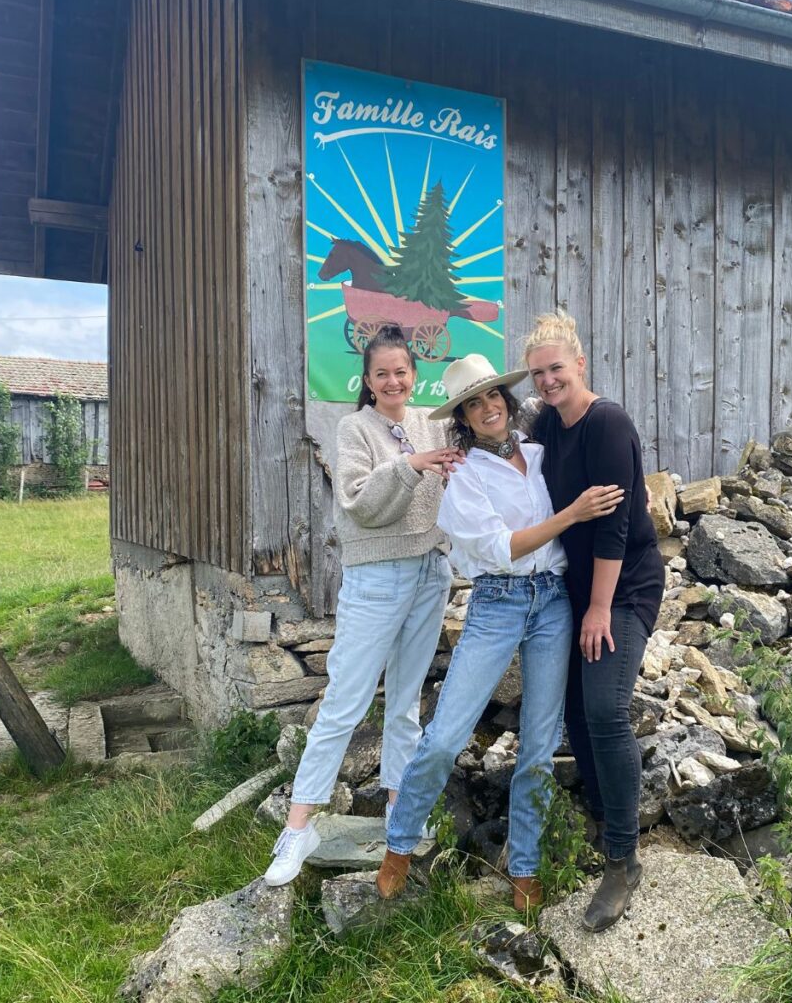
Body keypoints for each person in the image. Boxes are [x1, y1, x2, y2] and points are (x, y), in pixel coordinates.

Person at [375, 354, 625, 912]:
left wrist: (632, 491)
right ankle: (399, 844)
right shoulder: (463, 475)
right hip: (499, 602)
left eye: (493, 396)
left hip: (554, 601)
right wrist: (572, 514)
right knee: (445, 736)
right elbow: (502, 547)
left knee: (538, 746)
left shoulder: (540, 454)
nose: (487, 408)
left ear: (507, 401)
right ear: (462, 416)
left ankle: (525, 866)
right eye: (473, 403)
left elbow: (596, 478)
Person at [263, 325, 462, 887]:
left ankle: (400, 814)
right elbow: (359, 505)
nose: (393, 381)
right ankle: (298, 828)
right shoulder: (355, 428)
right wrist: (411, 466)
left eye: (401, 371)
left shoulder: (433, 422)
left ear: (414, 374)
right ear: (368, 381)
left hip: (429, 572)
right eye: (382, 374)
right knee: (344, 704)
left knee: (405, 703)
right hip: (377, 578)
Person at [524, 309, 665, 933]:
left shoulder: (607, 423)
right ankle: (609, 822)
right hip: (575, 586)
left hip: (624, 585)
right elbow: (504, 443)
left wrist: (600, 608)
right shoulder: (546, 424)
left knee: (605, 707)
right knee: (576, 713)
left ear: (580, 363)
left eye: (556, 368)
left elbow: (614, 527)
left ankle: (623, 860)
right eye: (538, 374)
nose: (548, 381)